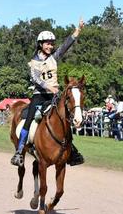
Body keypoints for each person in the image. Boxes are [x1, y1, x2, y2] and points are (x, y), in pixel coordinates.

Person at [10, 18, 86, 167]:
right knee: (30, 118)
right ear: (40, 44)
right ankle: (19, 151)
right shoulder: (34, 61)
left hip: (54, 96)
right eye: (47, 43)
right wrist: (48, 87)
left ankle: (73, 152)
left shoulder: (54, 57)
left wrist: (78, 30)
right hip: (39, 95)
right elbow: (35, 78)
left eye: (51, 43)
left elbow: (66, 45)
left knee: (64, 119)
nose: (50, 46)